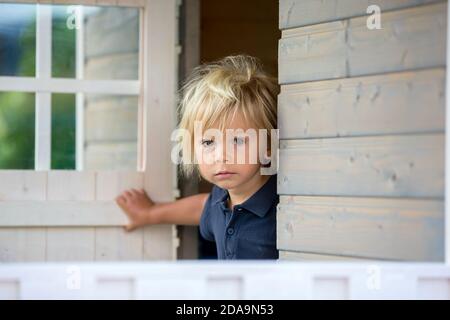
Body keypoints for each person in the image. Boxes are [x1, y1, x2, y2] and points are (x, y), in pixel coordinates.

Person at [116, 55, 279, 259]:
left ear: (269, 146)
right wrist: (150, 213)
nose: (221, 156)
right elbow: (203, 207)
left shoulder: (283, 209)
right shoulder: (221, 198)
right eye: (208, 142)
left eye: (238, 141)